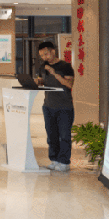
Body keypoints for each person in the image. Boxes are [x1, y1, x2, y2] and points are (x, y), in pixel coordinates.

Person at [37, 41, 76, 172]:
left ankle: (64, 162)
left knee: (64, 136)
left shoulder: (65, 66)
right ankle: (54, 160)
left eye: (46, 54)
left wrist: (54, 73)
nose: (44, 57)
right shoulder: (43, 66)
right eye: (42, 56)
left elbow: (69, 84)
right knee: (51, 136)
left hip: (64, 107)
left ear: (53, 51)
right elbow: (43, 81)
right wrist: (38, 81)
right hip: (48, 105)